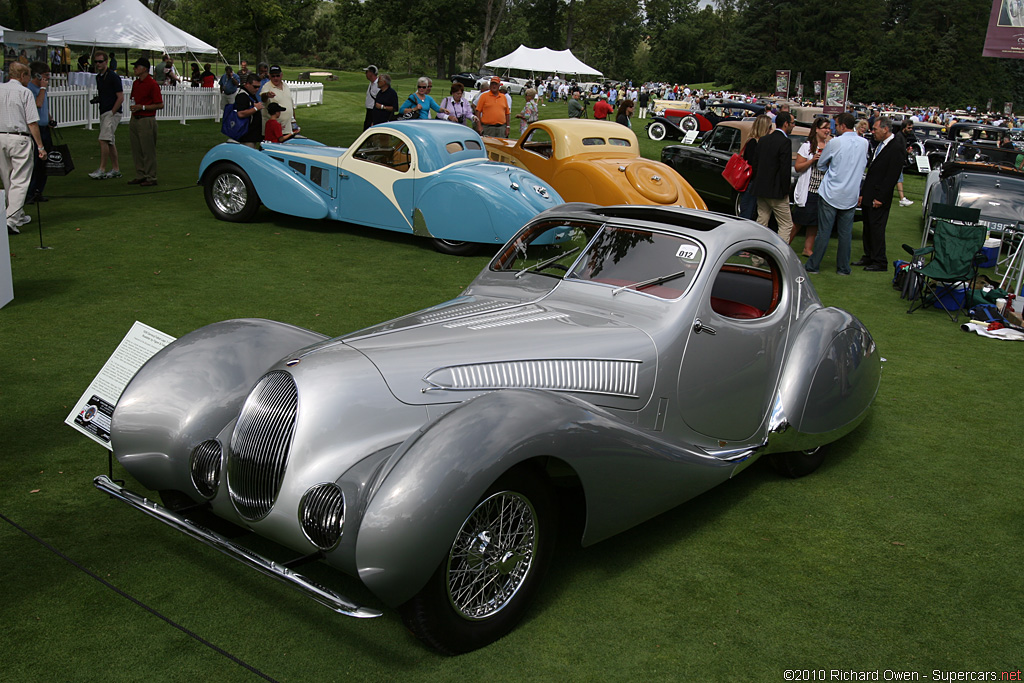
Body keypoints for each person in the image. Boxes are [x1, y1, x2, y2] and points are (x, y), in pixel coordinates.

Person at [805, 112, 869, 275]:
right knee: (845, 234)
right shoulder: (864, 143)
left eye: (836, 125)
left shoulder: (835, 142)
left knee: (824, 232)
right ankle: (843, 268)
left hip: (831, 192)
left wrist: (832, 169)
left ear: (842, 126)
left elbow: (821, 164)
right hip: (850, 194)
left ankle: (813, 265)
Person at [0, 62, 48, 234]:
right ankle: (11, 220)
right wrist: (40, 146)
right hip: (19, 137)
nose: (29, 80)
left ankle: (16, 215)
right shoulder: (24, 92)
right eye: (28, 76)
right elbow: (32, 122)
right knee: (20, 180)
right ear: (22, 76)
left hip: (1, 137)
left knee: (8, 179)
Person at [854, 117, 906, 272]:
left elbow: (891, 175)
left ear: (885, 129)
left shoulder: (896, 147)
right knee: (868, 226)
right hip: (870, 192)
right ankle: (869, 255)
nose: (873, 132)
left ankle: (879, 260)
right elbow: (872, 172)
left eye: (875, 129)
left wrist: (880, 198)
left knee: (876, 227)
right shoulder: (880, 145)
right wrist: (863, 193)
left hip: (879, 196)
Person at [751, 111, 795, 243]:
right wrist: (785, 190)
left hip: (761, 188)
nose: (793, 126)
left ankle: (756, 257)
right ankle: (779, 257)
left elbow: (756, 164)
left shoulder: (763, 140)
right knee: (786, 224)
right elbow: (784, 169)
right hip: (777, 192)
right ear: (786, 124)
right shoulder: (785, 142)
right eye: (792, 123)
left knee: (761, 222)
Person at [792, 117, 830, 256]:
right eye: (824, 127)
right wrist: (812, 160)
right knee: (799, 220)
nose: (827, 130)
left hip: (822, 190)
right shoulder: (807, 146)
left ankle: (808, 248)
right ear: (816, 129)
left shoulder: (829, 145)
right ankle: (785, 245)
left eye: (828, 128)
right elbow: (798, 167)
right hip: (808, 190)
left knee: (815, 221)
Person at [127, 57, 164, 187]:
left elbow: (160, 104)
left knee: (148, 150)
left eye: (137, 67)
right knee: (137, 150)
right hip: (135, 118)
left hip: (146, 119)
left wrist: (142, 107)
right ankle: (140, 174)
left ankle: (151, 176)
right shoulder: (136, 84)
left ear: (144, 69)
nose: (134, 69)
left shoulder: (152, 84)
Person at [89, 50, 123, 180]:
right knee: (109, 141)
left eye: (100, 61)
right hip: (104, 111)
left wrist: (112, 112)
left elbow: (120, 97)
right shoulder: (99, 77)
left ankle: (102, 169)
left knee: (103, 139)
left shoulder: (113, 77)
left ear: (106, 62)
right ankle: (116, 169)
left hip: (111, 112)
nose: (98, 64)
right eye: (96, 62)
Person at [26, 63, 52, 203]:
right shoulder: (31, 89)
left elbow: (44, 107)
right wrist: (42, 88)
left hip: (44, 127)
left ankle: (38, 191)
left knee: (44, 163)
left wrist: (49, 118)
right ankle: (30, 192)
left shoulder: (43, 89)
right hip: (35, 129)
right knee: (35, 162)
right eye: (45, 75)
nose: (48, 78)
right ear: (37, 75)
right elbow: (38, 104)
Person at [738, 114, 772, 220]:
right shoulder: (753, 142)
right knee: (747, 212)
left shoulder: (760, 142)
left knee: (755, 212)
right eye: (770, 127)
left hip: (755, 181)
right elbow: (753, 163)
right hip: (751, 181)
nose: (771, 130)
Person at [259, 66, 298, 135]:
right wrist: (267, 95)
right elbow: (263, 98)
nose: (275, 78)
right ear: (269, 76)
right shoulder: (267, 86)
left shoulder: (285, 85)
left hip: (288, 128)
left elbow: (291, 105)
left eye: (277, 75)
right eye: (273, 76)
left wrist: (294, 120)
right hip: (275, 130)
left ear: (281, 75)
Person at [234, 74, 266, 149]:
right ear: (247, 84)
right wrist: (255, 109)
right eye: (255, 86)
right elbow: (241, 113)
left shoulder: (250, 94)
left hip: (252, 135)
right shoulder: (242, 95)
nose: (257, 89)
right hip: (246, 136)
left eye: (259, 87)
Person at [362, 65, 379, 130]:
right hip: (369, 110)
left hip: (374, 110)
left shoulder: (378, 84)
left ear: (371, 73)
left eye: (367, 72)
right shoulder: (371, 83)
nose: (365, 74)